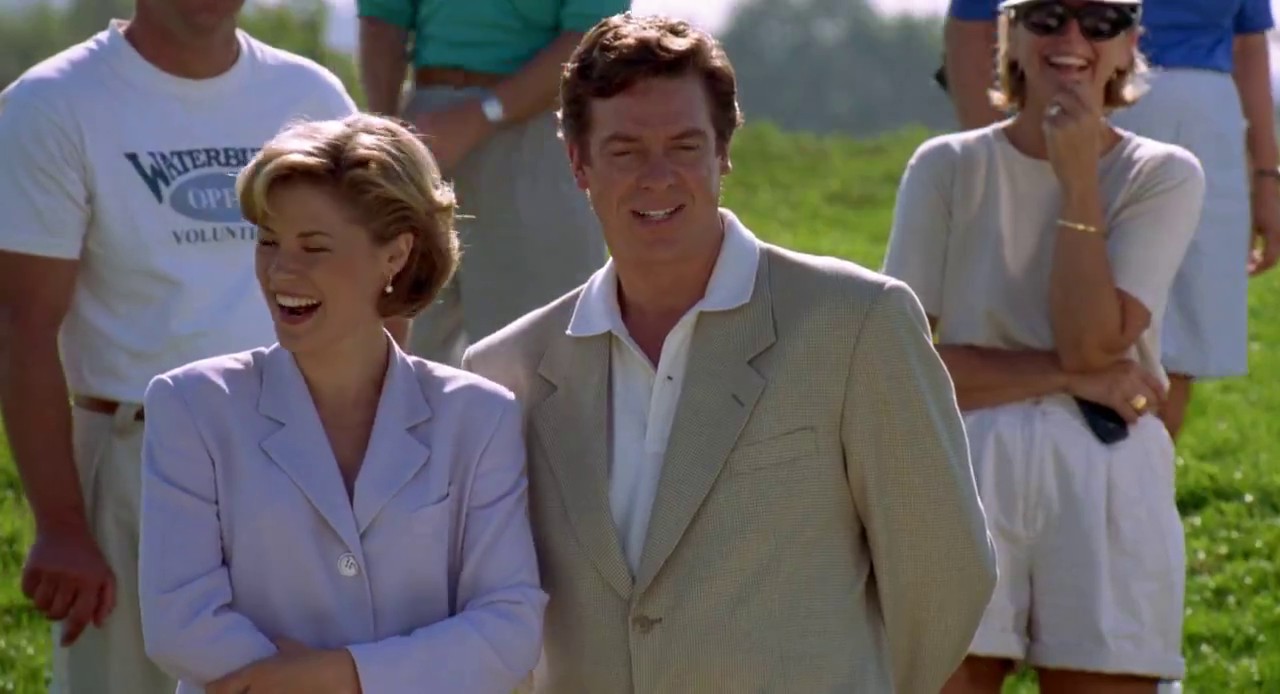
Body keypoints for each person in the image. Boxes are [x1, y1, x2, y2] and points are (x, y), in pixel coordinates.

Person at [462, 13, 997, 693]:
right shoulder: (504, 369)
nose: (658, 176)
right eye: (625, 151)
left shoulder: (858, 323)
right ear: (578, 164)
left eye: (685, 146)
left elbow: (945, 572)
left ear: (724, 152)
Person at [0, 1, 376, 692]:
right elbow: (23, 326)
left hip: (306, 451)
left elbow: (376, 283)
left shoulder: (310, 96)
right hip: (133, 456)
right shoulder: (51, 104)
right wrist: (61, 526)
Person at [136, 114, 547, 694]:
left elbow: (508, 627)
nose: (281, 270)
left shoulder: (479, 416)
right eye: (268, 241)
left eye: (314, 247)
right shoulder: (192, 406)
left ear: (395, 255)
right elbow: (179, 620)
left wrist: (338, 677)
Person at [885, 1, 1203, 691]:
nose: (1072, 37)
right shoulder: (947, 166)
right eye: (1048, 15)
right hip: (962, 464)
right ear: (1012, 35)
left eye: (1100, 20)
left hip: (1105, 468)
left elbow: (1093, 343)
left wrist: (1078, 178)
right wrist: (1071, 378)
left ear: (1128, 45)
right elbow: (896, 369)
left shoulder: (1163, 174)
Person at [943, 0, 1280, 440]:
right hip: (1084, 101)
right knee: (1046, 324)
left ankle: (1135, 471)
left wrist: (1267, 175)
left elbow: (1249, 42)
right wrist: (1000, 154)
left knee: (1175, 347)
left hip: (1206, 131)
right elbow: (970, 25)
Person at [357, 0, 629, 367]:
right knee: (398, 362)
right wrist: (389, 138)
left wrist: (482, 115)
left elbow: (591, 37)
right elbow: (383, 18)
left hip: (537, 127)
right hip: (419, 130)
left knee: (539, 364)